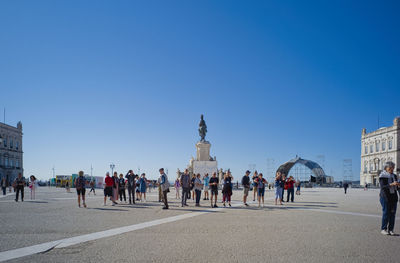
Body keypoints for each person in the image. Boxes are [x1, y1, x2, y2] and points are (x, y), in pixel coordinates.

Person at [379, 161, 399, 235]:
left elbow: (396, 187)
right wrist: (392, 184)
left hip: (393, 197)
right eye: (390, 167)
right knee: (386, 213)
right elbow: (383, 187)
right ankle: (383, 229)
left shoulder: (394, 176)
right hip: (385, 197)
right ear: (386, 168)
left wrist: (398, 185)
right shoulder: (382, 176)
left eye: (393, 167)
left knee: (393, 214)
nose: (392, 169)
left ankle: (391, 229)